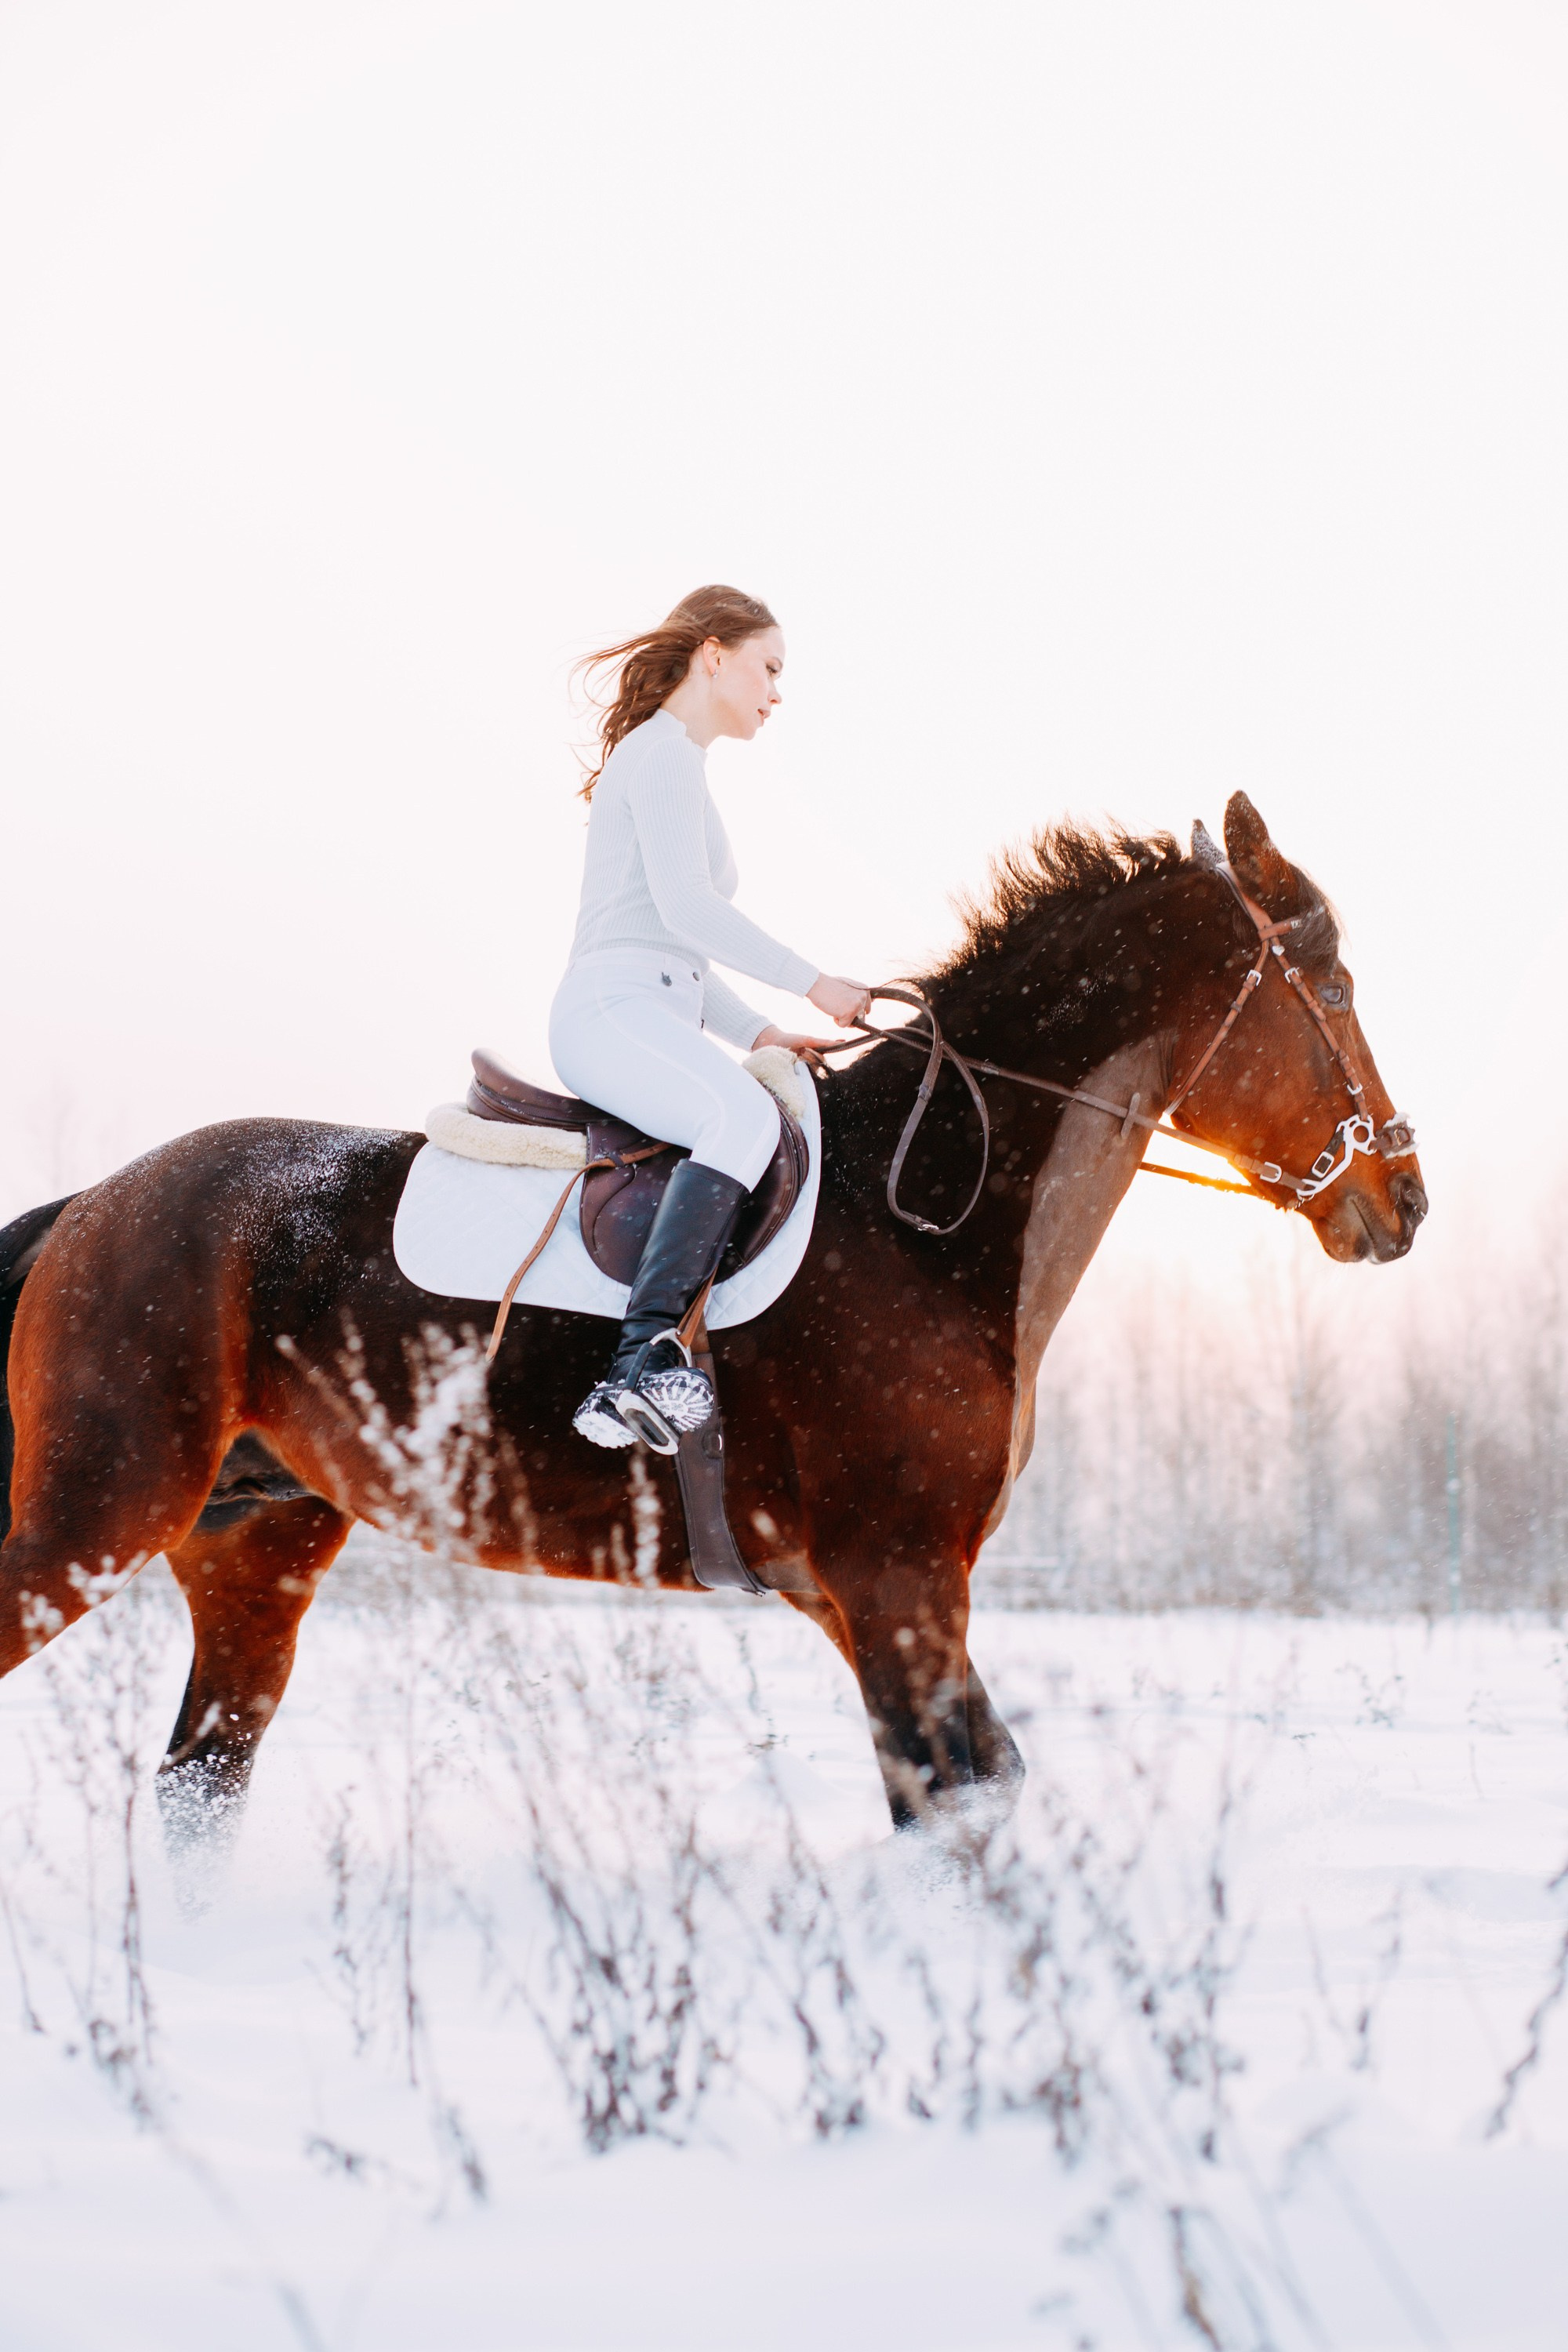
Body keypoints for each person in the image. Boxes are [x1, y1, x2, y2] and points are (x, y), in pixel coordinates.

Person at [550, 585, 870, 1451]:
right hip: (609, 1011)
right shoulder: (660, 757)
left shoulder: (676, 763)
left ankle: (654, 1350)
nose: (776, 691)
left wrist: (761, 1033)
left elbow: (678, 955)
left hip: (650, 1006)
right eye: (769, 667)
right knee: (738, 1116)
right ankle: (638, 1360)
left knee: (744, 1105)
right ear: (714, 654)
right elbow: (688, 910)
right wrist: (813, 983)